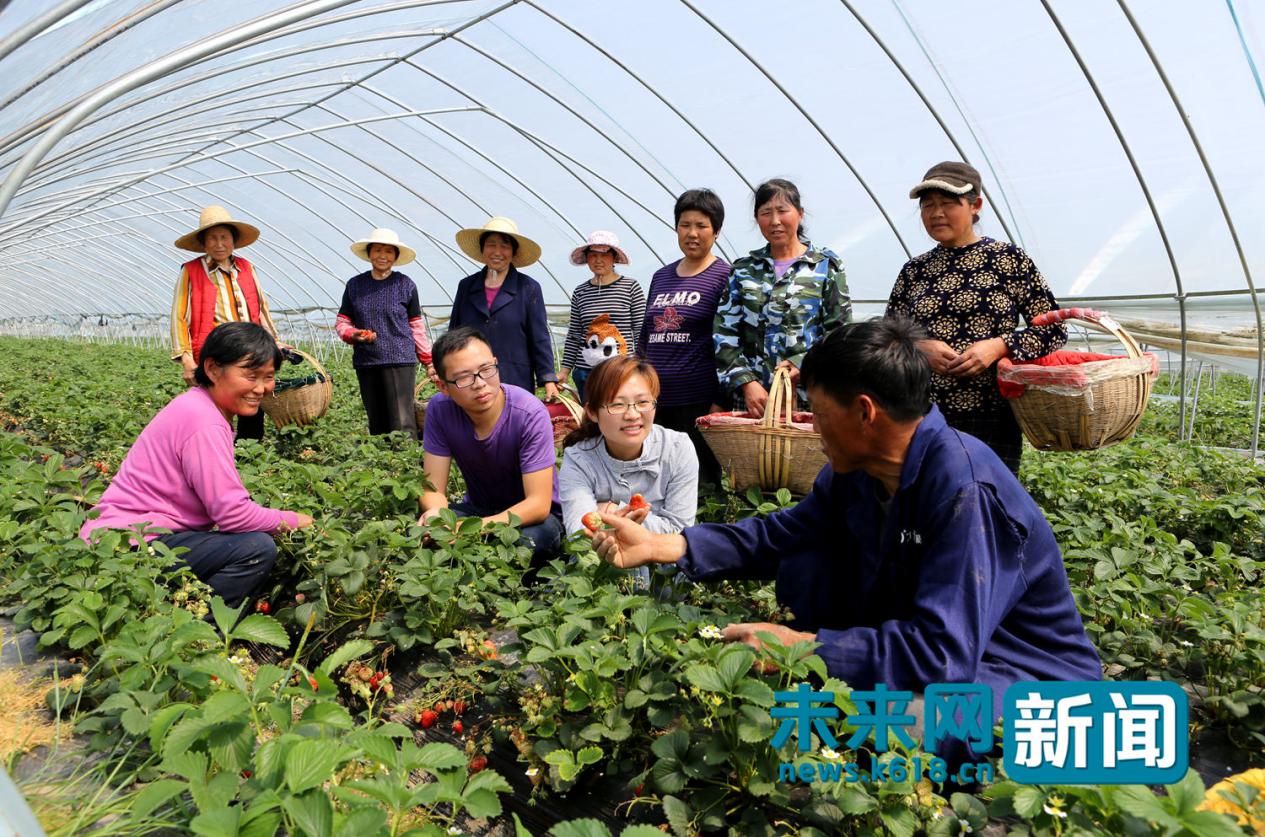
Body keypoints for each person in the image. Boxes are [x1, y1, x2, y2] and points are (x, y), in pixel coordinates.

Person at [591, 317, 1101, 712]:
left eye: (818, 411)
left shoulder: (965, 490)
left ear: (864, 412)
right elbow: (783, 534)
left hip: (1021, 676)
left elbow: (942, 654)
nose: (813, 427)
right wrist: (663, 546)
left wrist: (804, 648)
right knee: (810, 561)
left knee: (883, 723)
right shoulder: (858, 469)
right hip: (949, 649)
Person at [81, 322, 314, 606]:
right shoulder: (204, 421)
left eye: (269, 377)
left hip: (118, 540)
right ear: (213, 369)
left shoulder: (199, 405)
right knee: (256, 548)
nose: (260, 388)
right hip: (126, 546)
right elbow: (232, 515)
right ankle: (200, 624)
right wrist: (292, 519)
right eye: (250, 375)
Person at [887, 161, 1066, 472]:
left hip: (992, 415)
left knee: (987, 494)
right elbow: (885, 338)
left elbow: (1053, 330)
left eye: (948, 203)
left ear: (975, 206)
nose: (936, 213)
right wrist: (918, 347)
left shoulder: (1008, 260)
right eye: (928, 205)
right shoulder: (914, 271)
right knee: (926, 494)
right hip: (921, 414)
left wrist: (1000, 345)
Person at [418, 326, 563, 577]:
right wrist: (435, 517)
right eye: (464, 378)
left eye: (486, 369)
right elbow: (432, 488)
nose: (480, 384)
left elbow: (538, 505)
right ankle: (478, 563)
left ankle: (471, 565)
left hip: (533, 518)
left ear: (495, 363)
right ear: (443, 386)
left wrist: (468, 531)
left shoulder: (529, 413)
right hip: (480, 509)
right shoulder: (440, 409)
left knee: (530, 542)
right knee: (421, 528)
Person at [714, 179, 851, 418]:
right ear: (757, 219)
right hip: (751, 404)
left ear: (800, 213)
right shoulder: (744, 270)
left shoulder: (825, 266)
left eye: (782, 211)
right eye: (766, 213)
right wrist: (747, 382)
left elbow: (840, 333)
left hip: (808, 400)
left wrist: (802, 364)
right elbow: (724, 333)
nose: (775, 221)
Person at [558, 356, 698, 586]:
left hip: (664, 566)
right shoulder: (579, 458)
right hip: (603, 562)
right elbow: (579, 532)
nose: (633, 415)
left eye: (643, 402)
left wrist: (609, 509)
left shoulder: (677, 448)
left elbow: (679, 532)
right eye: (617, 405)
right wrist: (641, 524)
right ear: (592, 412)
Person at [637, 189, 730, 486]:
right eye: (685, 225)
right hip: (655, 400)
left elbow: (731, 342)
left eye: (701, 226)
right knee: (653, 480)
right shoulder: (661, 276)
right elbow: (646, 337)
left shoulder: (725, 276)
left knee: (700, 484)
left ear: (716, 231)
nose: (692, 233)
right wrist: (637, 387)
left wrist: (721, 400)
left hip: (698, 402)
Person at [171, 204, 286, 441]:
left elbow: (261, 309)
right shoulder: (191, 271)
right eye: (212, 238)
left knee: (251, 405)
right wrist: (186, 359)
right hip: (216, 354)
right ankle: (216, 451)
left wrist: (274, 341)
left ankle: (250, 454)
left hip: (250, 351)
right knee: (215, 409)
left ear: (233, 241)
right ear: (203, 243)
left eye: (224, 237)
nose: (219, 244)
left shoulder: (246, 268)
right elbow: (179, 316)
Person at [335, 227, 433, 439]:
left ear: (395, 256)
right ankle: (382, 458)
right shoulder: (355, 285)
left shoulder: (405, 285)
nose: (383, 256)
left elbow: (416, 327)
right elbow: (343, 321)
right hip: (367, 361)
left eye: (389, 251)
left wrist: (428, 361)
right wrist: (353, 334)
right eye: (378, 250)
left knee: (402, 421)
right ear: (369, 253)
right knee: (377, 421)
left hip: (400, 360)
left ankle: (405, 457)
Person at [450, 217, 559, 400]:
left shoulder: (528, 287)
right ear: (482, 249)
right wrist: (447, 371)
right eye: (491, 245)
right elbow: (454, 332)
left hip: (514, 377)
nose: (497, 251)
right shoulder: (466, 286)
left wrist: (548, 379)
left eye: (505, 246)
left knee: (514, 416)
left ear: (513, 252)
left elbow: (539, 337)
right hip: (472, 379)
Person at [558, 231, 646, 402]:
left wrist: (640, 366)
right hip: (586, 372)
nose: (598, 260)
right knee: (591, 415)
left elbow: (640, 330)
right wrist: (565, 370)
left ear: (614, 258)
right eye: (593, 255)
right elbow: (575, 334)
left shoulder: (630, 287)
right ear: (587, 258)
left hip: (620, 371)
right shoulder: (580, 292)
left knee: (618, 412)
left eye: (604, 254)